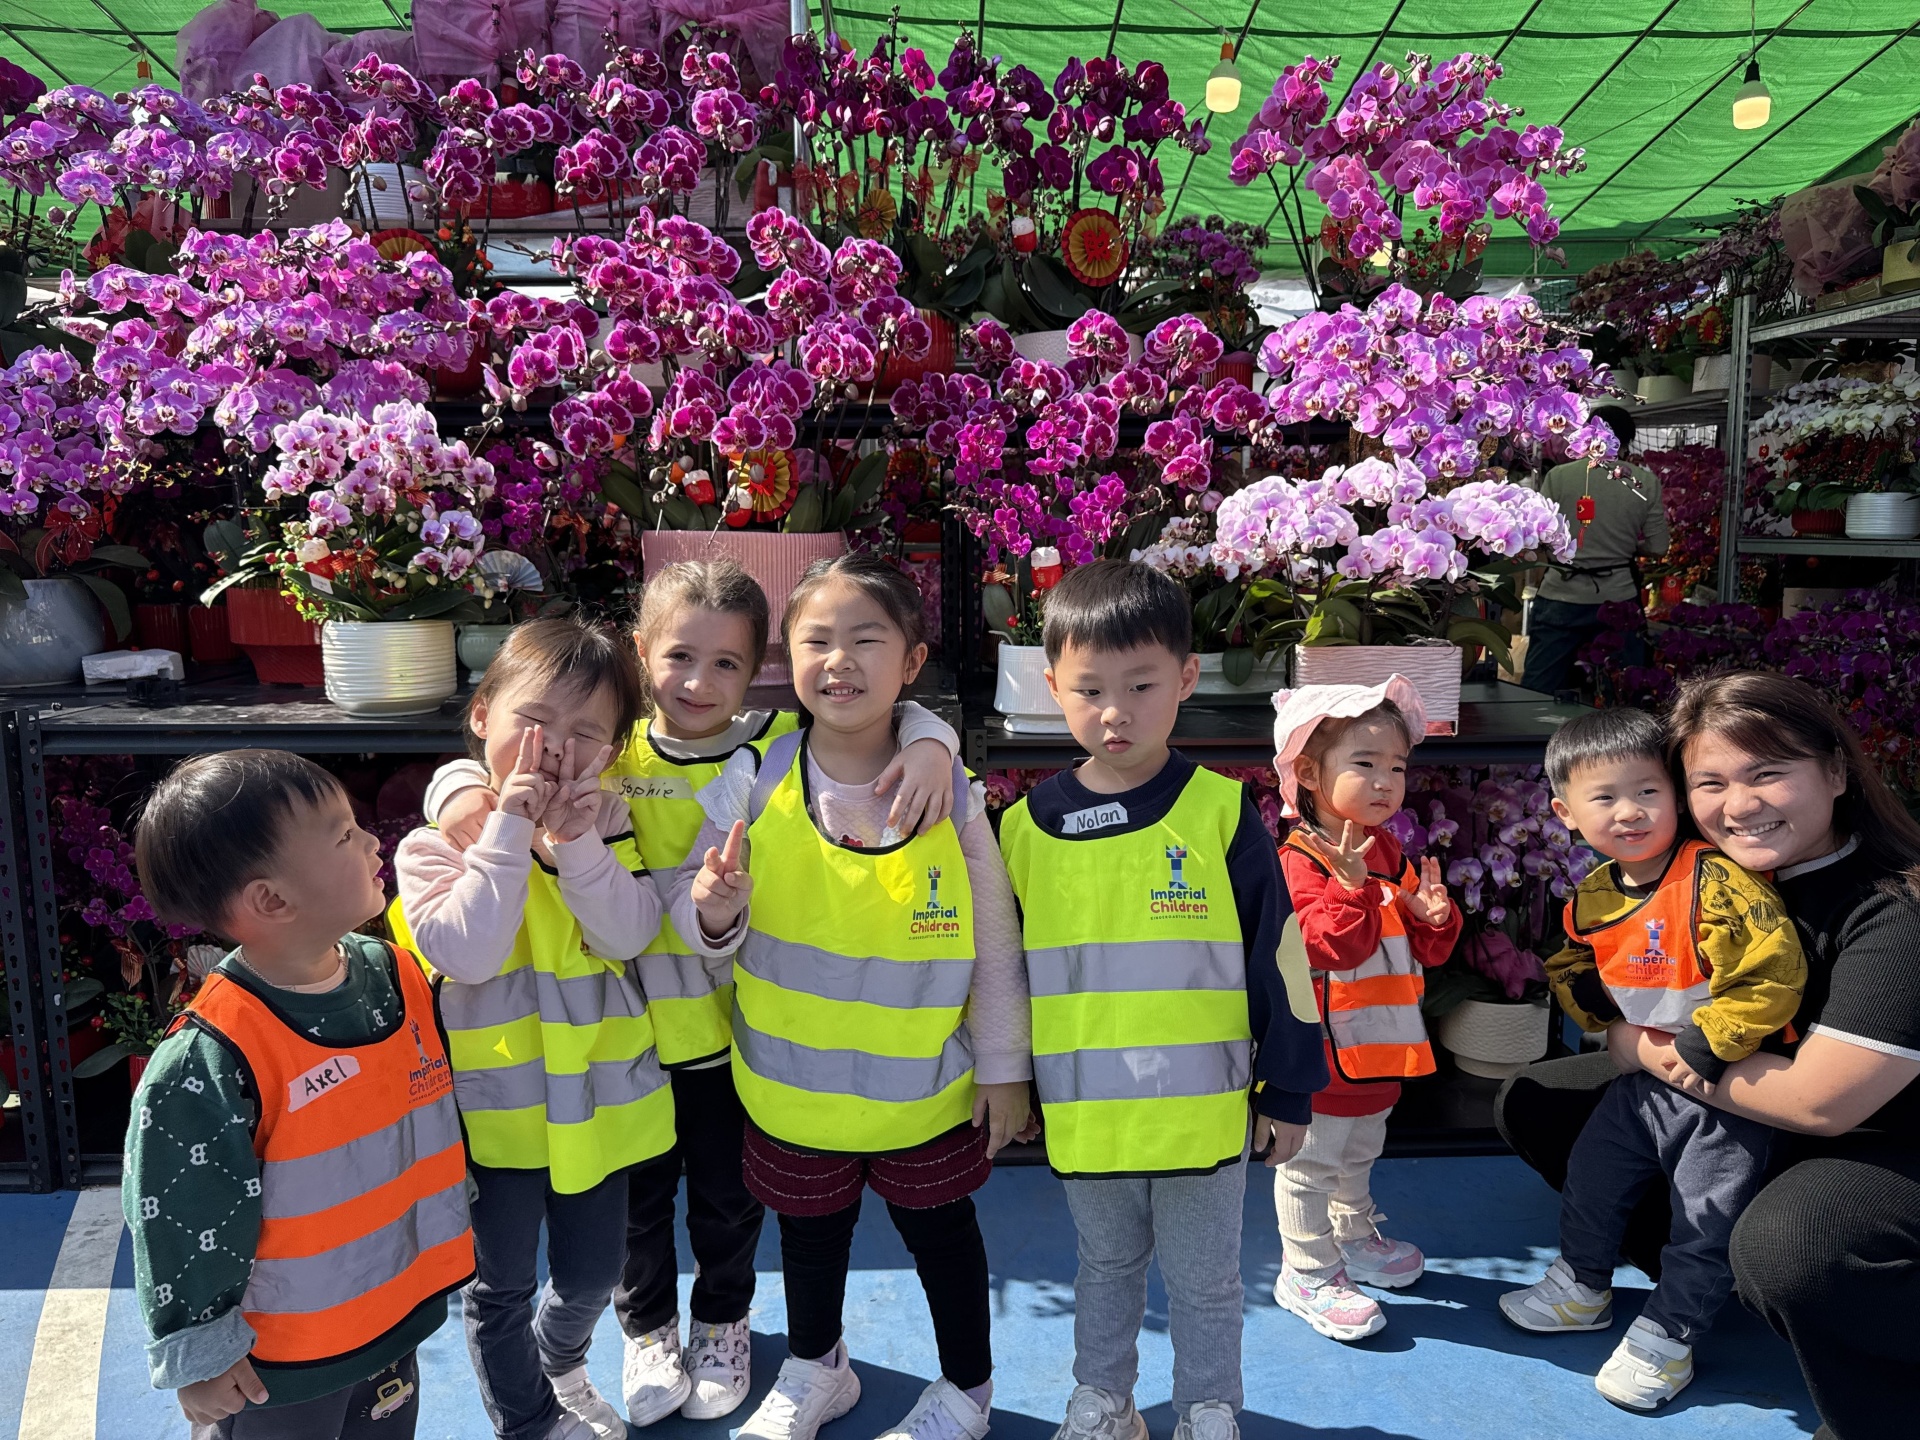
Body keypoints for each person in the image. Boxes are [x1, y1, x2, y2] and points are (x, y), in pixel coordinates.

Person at [421, 561, 962, 1427]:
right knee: (637, 1209)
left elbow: (885, 718)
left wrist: (933, 739)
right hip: (622, 1041)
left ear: (760, 673)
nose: (699, 682)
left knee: (726, 1199)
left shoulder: (776, 747)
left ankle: (722, 1324)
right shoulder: (606, 743)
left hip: (732, 1034)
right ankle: (649, 1330)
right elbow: (494, 756)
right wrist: (453, 790)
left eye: (727, 664)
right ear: (642, 654)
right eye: (679, 657)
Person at [1496, 671, 1920, 1440]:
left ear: (1836, 772)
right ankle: (1688, 1276)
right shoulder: (1711, 874)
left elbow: (1821, 1103)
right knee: (1540, 1103)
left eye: (1768, 773)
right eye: (1710, 783)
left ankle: (1872, 1388)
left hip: (1882, 1138)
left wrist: (1638, 1047)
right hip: (1745, 1090)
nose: (1740, 804)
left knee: (1794, 1246)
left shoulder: (1895, 910)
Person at [671, 553, 1034, 1440]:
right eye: (817, 641)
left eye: (866, 640)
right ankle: (816, 1366)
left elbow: (994, 940)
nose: (839, 661)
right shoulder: (753, 778)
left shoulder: (950, 794)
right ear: (786, 660)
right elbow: (698, 910)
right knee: (808, 1237)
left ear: (912, 662)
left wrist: (1004, 1065)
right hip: (792, 1091)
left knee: (942, 1239)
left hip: (925, 1094)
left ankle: (968, 1389)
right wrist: (711, 909)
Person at [997, 560, 1325, 1440]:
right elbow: (1002, 976)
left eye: (1141, 685)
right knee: (1103, 1268)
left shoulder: (1220, 813)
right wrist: (1008, 1081)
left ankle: (1207, 1407)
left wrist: (1291, 1088)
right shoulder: (1023, 830)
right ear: (1051, 687)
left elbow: (1280, 957)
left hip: (1202, 1120)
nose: (1116, 711)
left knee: (1206, 1279)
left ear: (1186, 677)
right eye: (1090, 689)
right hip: (1089, 1118)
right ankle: (1104, 1401)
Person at [126, 750, 474, 1440]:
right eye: (344, 835)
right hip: (278, 1367)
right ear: (272, 900)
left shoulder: (396, 974)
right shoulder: (211, 1056)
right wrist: (201, 1356)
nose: (372, 840)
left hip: (391, 1313)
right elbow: (179, 1210)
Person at [392, 616, 667, 1440]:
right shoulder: (432, 846)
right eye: (534, 720)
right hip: (493, 1122)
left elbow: (629, 934)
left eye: (585, 733)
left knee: (591, 1276)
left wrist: (577, 845)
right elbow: (468, 952)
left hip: (597, 1112)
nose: (554, 749)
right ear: (482, 716)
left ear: (611, 751)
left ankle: (560, 1361)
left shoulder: (608, 827)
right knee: (501, 1288)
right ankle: (529, 1421)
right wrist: (507, 829)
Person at [1497, 707, 1805, 1410]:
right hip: (1644, 1080)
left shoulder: (1716, 879)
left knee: (1705, 1218)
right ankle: (1582, 1285)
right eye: (1604, 797)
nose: (1629, 812)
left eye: (1647, 791)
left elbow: (1772, 969)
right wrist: (1593, 1005)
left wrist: (1712, 1039)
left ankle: (1671, 1332)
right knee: (1593, 1174)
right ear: (1565, 813)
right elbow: (1572, 958)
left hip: (1728, 1091)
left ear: (1676, 795)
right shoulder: (1595, 893)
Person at [1269, 677, 1460, 1341]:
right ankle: (1306, 1269)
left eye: (1397, 767)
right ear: (1308, 773)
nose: (1386, 782)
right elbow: (1324, 947)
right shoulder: (1298, 861)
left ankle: (1351, 1236)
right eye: (1365, 763)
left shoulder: (1386, 852)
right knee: (1311, 1164)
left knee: (1360, 1151)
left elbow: (1418, 947)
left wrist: (1434, 918)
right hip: (1323, 1053)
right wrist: (1351, 891)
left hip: (1380, 1042)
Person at [1522, 406, 1669, 698]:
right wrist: (1625, 547)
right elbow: (1658, 547)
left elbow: (1539, 537)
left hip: (1560, 594)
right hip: (1618, 598)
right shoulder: (1645, 482)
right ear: (1628, 441)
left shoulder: (1559, 476)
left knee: (1538, 692)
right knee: (1622, 693)